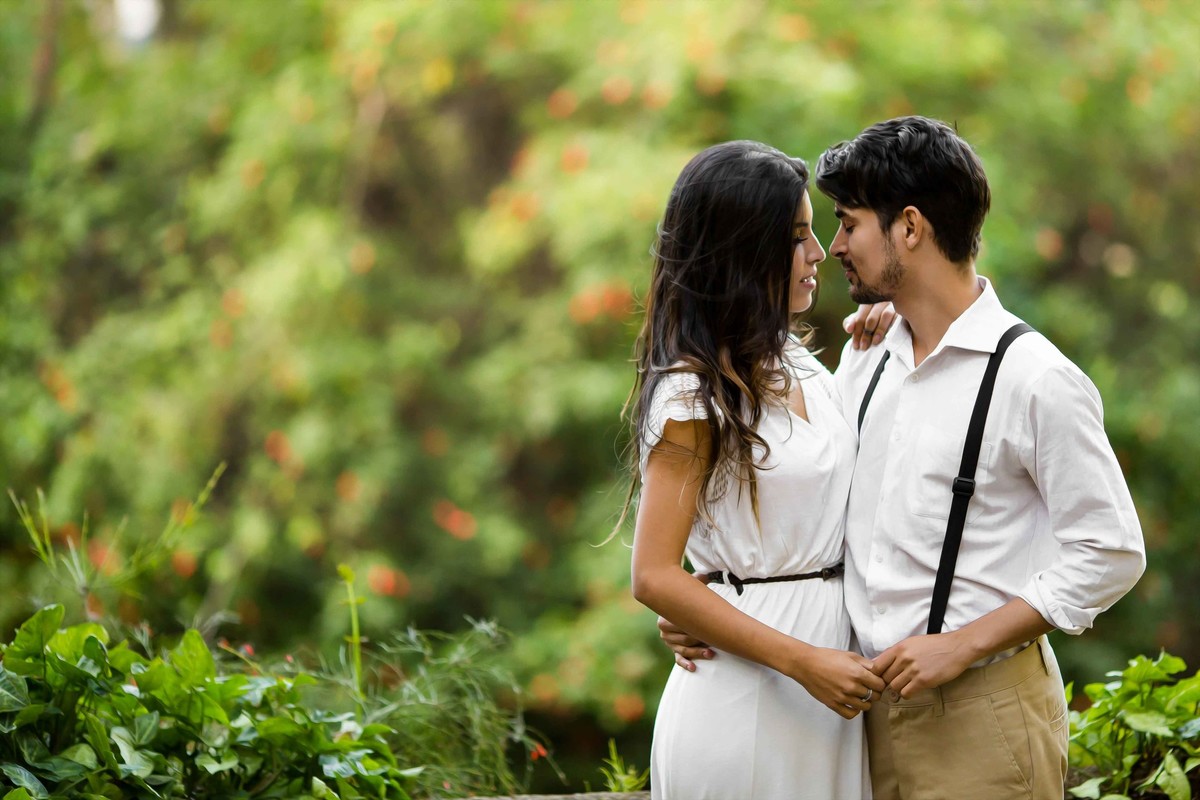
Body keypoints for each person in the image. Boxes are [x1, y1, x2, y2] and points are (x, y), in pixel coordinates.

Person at [660, 117, 1146, 800]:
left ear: (909, 229)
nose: (833, 249)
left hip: (982, 715)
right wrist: (709, 596)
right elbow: (798, 504)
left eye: (848, 224)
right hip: (854, 721)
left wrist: (964, 644)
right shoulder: (863, 367)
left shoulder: (1034, 377)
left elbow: (1111, 550)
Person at [626, 139, 895, 800]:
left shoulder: (797, 362)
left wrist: (880, 340)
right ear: (743, 249)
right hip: (752, 692)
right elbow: (655, 574)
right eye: (797, 236)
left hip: (828, 696)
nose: (818, 253)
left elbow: (827, 481)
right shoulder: (692, 395)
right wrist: (803, 662)